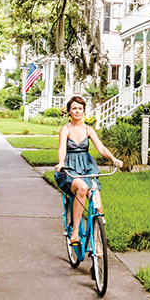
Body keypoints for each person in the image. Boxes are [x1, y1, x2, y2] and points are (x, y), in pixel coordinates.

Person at [54, 96, 123, 247]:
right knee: (82, 188)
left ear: (84, 111)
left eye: (80, 108)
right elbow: (62, 149)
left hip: (87, 167)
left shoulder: (88, 129)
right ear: (69, 111)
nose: (77, 111)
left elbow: (101, 147)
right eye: (74, 108)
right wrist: (61, 163)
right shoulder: (65, 129)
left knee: (97, 205)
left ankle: (97, 244)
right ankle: (75, 232)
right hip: (71, 169)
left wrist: (113, 159)